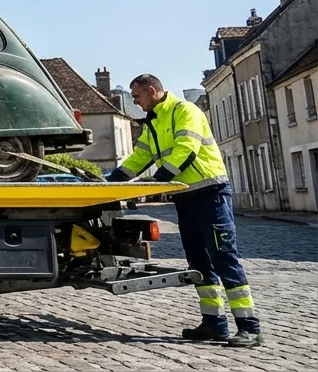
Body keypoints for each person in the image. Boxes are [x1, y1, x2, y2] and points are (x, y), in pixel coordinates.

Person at [107, 74, 261, 347]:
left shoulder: (185, 111)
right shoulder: (154, 122)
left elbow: (186, 150)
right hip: (186, 198)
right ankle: (214, 324)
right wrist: (112, 181)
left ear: (152, 91)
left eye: (138, 97)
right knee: (198, 262)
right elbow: (140, 156)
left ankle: (249, 327)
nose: (136, 103)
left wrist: (158, 182)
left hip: (210, 195)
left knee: (224, 258)